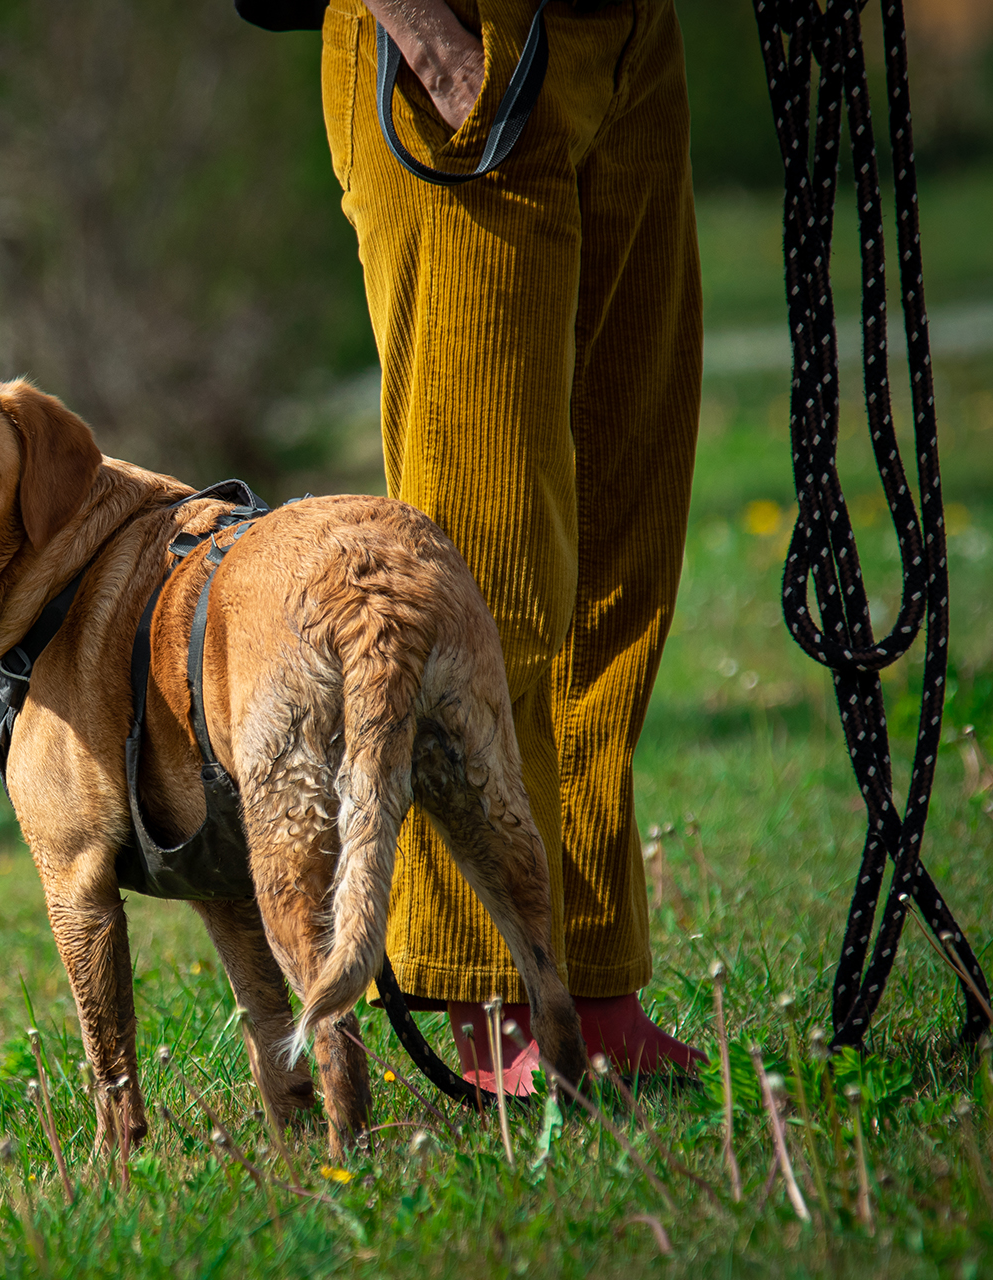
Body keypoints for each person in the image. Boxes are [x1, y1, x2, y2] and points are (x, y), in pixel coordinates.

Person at [298, 0, 708, 1090]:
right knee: (482, 557)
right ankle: (488, 992)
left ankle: (594, 983)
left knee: (626, 528)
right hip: (458, 38)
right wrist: (425, 31)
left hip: (626, 32)